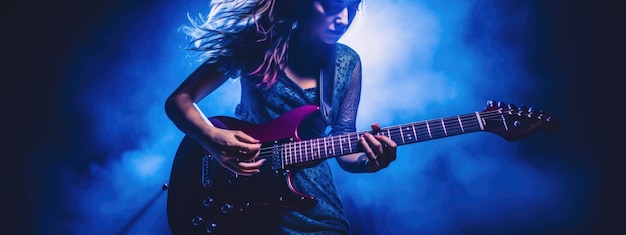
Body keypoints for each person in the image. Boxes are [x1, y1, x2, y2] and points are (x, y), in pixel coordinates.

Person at [165, 0, 397, 234]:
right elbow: (179, 100)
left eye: (353, 7)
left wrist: (366, 162)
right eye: (332, 5)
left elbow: (344, 136)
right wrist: (212, 138)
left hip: (316, 204)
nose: (345, 20)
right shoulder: (258, 43)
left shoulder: (348, 62)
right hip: (246, 201)